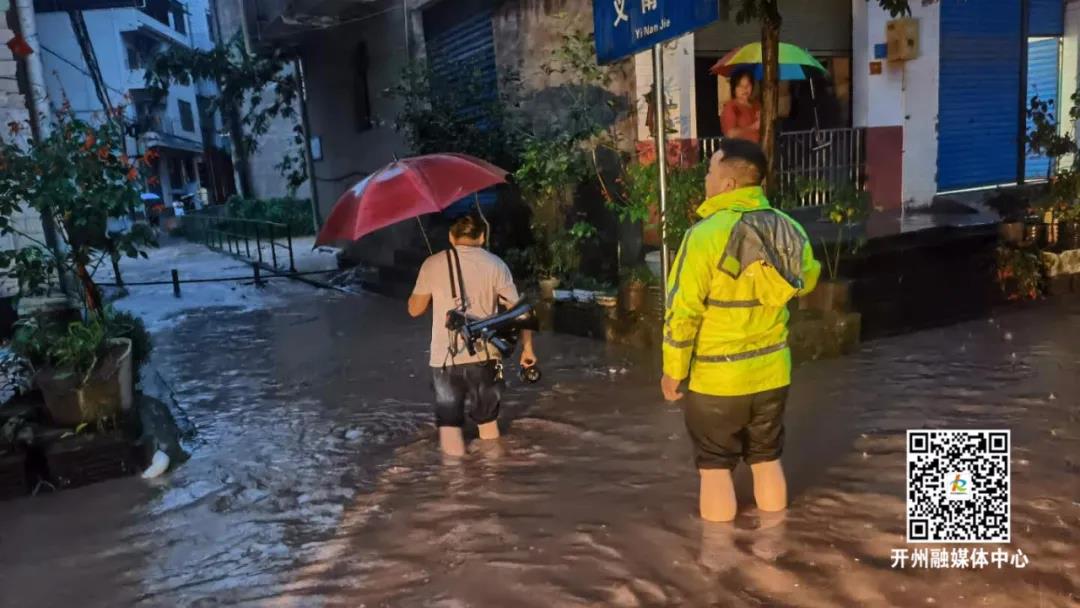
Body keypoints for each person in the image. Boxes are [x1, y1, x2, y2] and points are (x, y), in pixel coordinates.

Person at [660, 138, 820, 522]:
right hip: (772, 373)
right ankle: (773, 552)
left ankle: (719, 564)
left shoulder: (703, 236)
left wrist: (673, 370)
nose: (707, 180)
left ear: (729, 184)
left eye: (710, 172)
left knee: (715, 471)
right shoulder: (790, 228)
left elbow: (682, 312)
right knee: (767, 461)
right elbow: (808, 279)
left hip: (717, 379)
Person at [408, 213, 538, 457]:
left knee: (449, 430)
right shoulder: (497, 264)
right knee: (488, 428)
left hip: (444, 361)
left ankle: (456, 488)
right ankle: (493, 481)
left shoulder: (432, 263)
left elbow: (414, 310)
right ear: (482, 236)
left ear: (450, 237)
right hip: (485, 357)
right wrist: (528, 350)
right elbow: (522, 312)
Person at [720, 72, 761, 143]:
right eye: (740, 86)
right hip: (738, 151)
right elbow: (730, 134)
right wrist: (752, 127)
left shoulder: (756, 105)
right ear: (734, 89)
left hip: (756, 149)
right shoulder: (731, 107)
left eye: (748, 85)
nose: (745, 89)